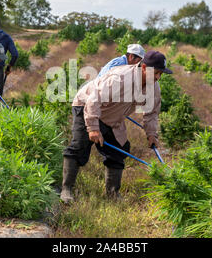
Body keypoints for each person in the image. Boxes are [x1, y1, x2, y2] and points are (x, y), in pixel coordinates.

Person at [60, 50, 172, 203]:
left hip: (113, 117)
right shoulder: (120, 78)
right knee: (79, 147)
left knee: (119, 150)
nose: (158, 77)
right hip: (87, 107)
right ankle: (66, 190)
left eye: (161, 74)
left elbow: (151, 112)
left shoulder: (154, 86)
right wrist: (93, 128)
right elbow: (94, 101)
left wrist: (151, 134)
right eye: (156, 73)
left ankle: (113, 194)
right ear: (144, 67)